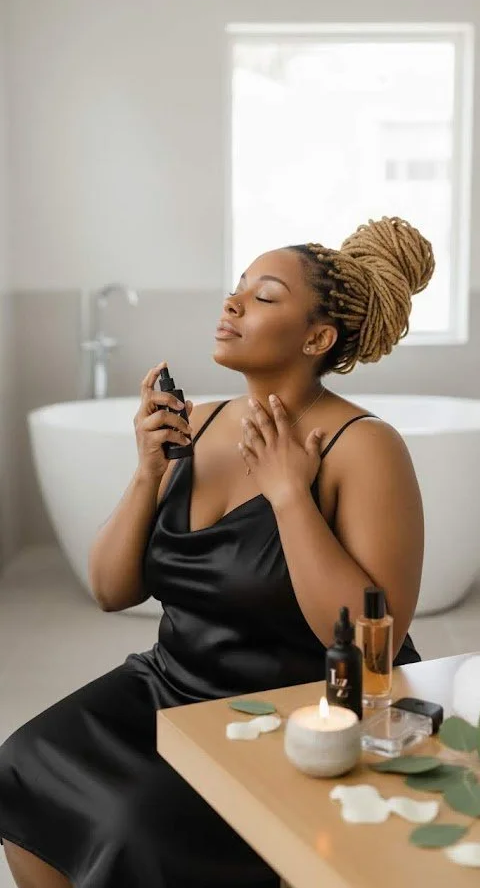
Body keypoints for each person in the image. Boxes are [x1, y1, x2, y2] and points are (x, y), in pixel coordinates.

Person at [0, 215, 435, 888]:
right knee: (23, 760)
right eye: (237, 287)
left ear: (317, 338)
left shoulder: (365, 446)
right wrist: (147, 472)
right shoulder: (196, 423)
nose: (232, 303)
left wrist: (289, 496)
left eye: (263, 296)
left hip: (297, 712)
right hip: (170, 683)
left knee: (131, 825)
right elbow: (111, 590)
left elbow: (370, 645)